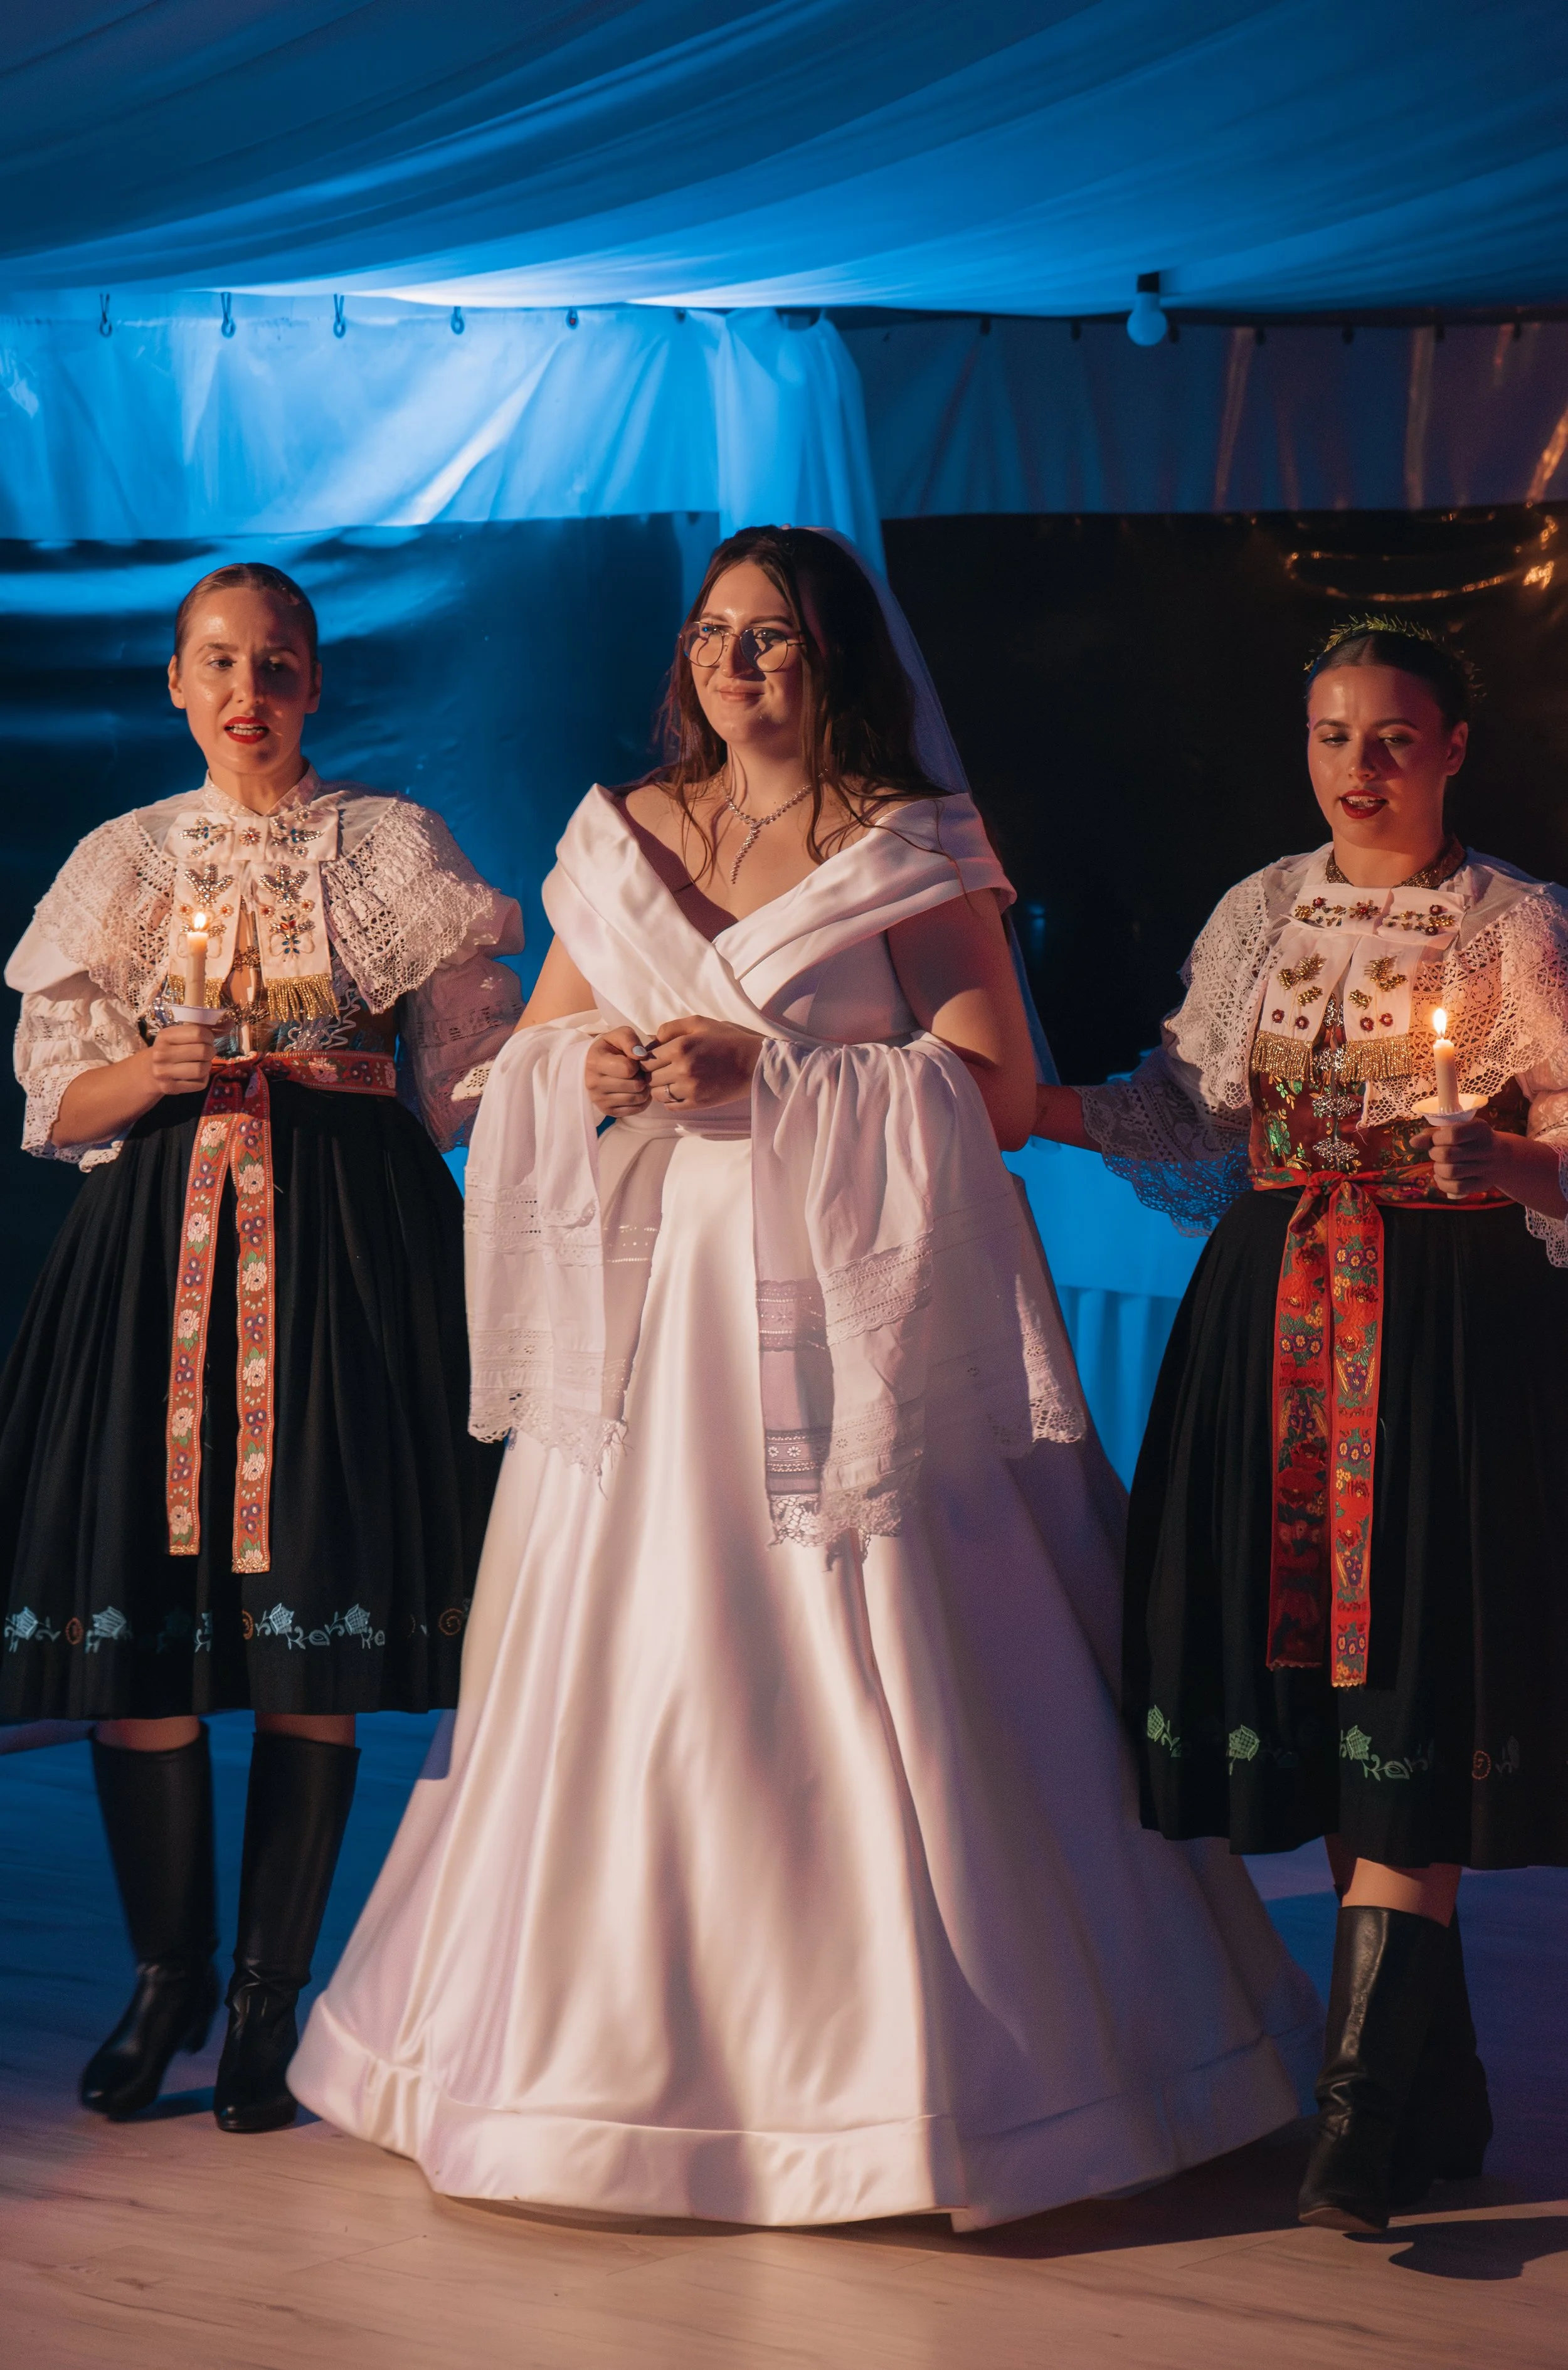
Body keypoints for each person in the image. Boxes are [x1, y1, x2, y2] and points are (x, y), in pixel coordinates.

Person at [290, 526, 1319, 2230]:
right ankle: (590, 2058)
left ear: (836, 660)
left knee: (898, 1634)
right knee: (630, 1646)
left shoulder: (906, 847)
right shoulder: (616, 838)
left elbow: (985, 1090)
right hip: (659, 1301)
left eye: (770, 638)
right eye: (713, 635)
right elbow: (528, 1049)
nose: (736, 664)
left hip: (848, 1302)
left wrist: (765, 1072)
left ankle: (933, 2077)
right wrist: (592, 1065)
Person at [1032, 613, 1568, 2233]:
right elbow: (1191, 1108)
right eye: (1332, 736)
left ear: (1454, 746)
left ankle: (1350, 2133)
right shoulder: (1260, 911)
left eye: (1392, 736)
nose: (1358, 767)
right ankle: (1433, 2088)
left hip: (1444, 1335)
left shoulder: (1512, 927)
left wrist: (1510, 1168)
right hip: (1271, 1324)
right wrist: (1024, 1102)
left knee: (1410, 1666)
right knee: (1337, 1710)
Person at [0, 562, 522, 2134]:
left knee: (315, 1613)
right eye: (219, 663)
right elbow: (52, 1101)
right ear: (175, 682)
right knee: (141, 1635)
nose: (249, 690)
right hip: (160, 1253)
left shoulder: (394, 848)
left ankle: (261, 1998)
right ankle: (165, 1975)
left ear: (313, 683)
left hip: (345, 1252)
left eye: (276, 663)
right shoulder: (125, 858)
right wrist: (145, 1069)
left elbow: (464, 1086)